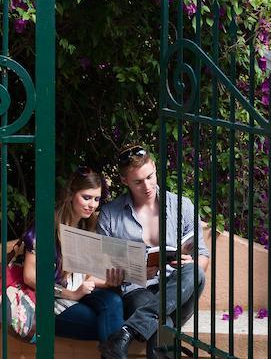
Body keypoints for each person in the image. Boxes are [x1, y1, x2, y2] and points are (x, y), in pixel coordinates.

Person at [96, 145, 210, 359]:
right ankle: (143, 323)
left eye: (150, 177)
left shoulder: (182, 206)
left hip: (178, 292)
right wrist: (132, 271)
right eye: (138, 182)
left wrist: (189, 262)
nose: (147, 186)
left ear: (155, 169)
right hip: (138, 291)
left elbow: (203, 256)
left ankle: (126, 332)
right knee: (162, 326)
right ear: (124, 181)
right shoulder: (110, 215)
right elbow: (103, 268)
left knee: (196, 272)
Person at [21, 167, 126, 346]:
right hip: (52, 299)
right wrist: (70, 294)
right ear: (71, 194)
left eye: (97, 199)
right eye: (86, 197)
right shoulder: (47, 227)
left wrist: (109, 282)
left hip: (81, 292)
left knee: (113, 303)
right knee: (110, 326)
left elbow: (84, 276)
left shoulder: (90, 226)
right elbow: (30, 276)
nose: (92, 205)